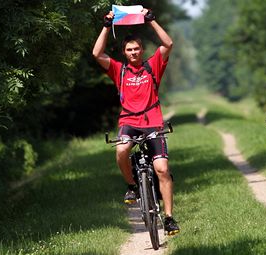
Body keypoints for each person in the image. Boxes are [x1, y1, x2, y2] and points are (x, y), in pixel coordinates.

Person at [92, 8, 180, 235]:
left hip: (153, 121)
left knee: (162, 169)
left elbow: (168, 44)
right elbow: (96, 54)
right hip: (128, 121)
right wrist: (105, 25)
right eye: (129, 49)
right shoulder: (119, 70)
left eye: (137, 48)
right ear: (124, 52)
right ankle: (132, 186)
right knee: (121, 151)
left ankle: (169, 218)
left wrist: (151, 20)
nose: (133, 52)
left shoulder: (153, 66)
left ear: (142, 50)